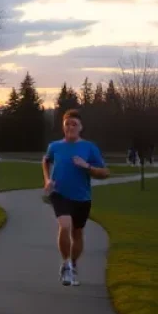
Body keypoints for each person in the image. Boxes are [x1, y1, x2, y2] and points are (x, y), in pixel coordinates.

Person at [42, 109, 109, 286]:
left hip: (82, 197)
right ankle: (65, 264)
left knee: (77, 233)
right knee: (64, 225)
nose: (70, 127)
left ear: (81, 127)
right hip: (59, 193)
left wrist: (86, 166)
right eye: (67, 124)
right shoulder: (54, 146)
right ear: (63, 127)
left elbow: (104, 173)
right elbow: (46, 160)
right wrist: (47, 179)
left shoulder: (89, 148)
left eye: (74, 124)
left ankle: (73, 264)